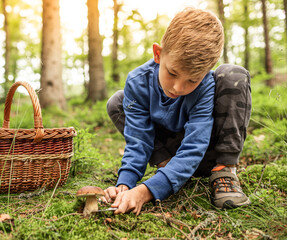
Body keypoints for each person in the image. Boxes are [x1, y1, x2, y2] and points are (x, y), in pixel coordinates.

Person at [101, 7, 252, 215]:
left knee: (233, 74)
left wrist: (144, 193)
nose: (178, 88)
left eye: (192, 80)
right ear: (158, 54)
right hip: (171, 153)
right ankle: (168, 168)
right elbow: (138, 141)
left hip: (204, 151)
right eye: (172, 73)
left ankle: (225, 172)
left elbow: (195, 145)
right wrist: (125, 184)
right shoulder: (137, 82)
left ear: (207, 70)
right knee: (117, 101)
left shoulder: (206, 84)